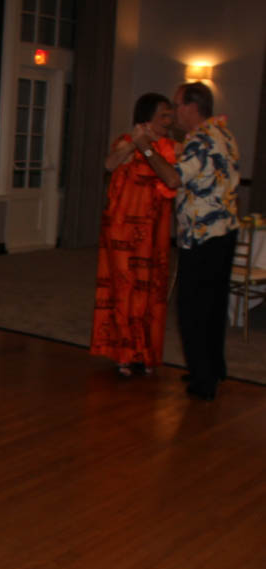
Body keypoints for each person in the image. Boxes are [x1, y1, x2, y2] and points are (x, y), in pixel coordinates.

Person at [132, 81, 240, 401]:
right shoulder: (224, 133)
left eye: (177, 105)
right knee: (214, 306)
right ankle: (213, 368)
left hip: (203, 237)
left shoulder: (202, 141)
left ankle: (203, 381)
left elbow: (173, 177)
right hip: (225, 232)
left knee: (192, 309)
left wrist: (145, 147)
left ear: (192, 106)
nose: (174, 112)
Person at [90, 93, 177, 377]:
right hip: (124, 231)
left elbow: (172, 179)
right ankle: (123, 355)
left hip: (154, 230)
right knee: (125, 290)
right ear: (147, 117)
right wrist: (134, 144)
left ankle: (144, 354)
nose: (169, 120)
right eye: (164, 114)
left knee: (149, 291)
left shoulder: (169, 147)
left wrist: (149, 147)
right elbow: (109, 164)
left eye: (170, 114)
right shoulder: (127, 142)